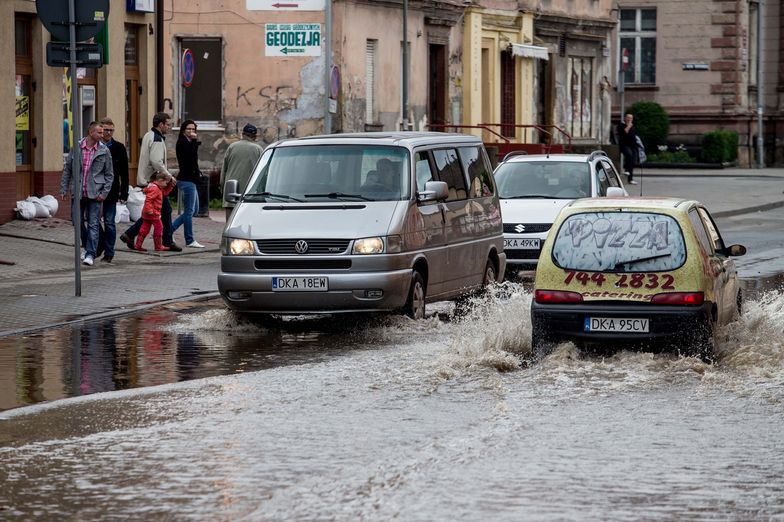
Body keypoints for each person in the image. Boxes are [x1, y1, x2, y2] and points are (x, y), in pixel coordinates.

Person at [120, 112, 182, 251]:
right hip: (154, 182)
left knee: (156, 211)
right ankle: (166, 241)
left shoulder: (149, 135)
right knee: (164, 210)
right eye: (168, 124)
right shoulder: (157, 139)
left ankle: (130, 234)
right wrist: (169, 177)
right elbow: (157, 162)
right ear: (161, 124)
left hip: (148, 180)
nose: (169, 127)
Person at [59, 121, 114, 267]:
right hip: (78, 192)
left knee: (94, 224)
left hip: (95, 193)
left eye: (103, 132)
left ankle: (91, 253)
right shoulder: (77, 147)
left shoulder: (104, 150)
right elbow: (68, 169)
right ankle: (85, 246)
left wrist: (104, 193)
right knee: (77, 221)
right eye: (100, 132)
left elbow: (109, 175)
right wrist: (64, 189)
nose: (103, 135)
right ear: (91, 133)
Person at [96, 117, 129, 263]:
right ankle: (99, 246)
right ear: (100, 130)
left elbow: (124, 172)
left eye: (111, 130)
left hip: (112, 190)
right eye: (105, 130)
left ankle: (109, 253)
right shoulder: (94, 146)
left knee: (109, 222)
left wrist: (124, 192)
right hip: (94, 189)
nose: (108, 133)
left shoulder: (119, 148)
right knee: (93, 221)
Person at [172, 119, 204, 248]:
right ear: (183, 130)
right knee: (189, 211)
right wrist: (195, 142)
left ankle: (168, 231)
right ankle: (190, 240)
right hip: (185, 180)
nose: (191, 132)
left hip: (192, 180)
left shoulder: (189, 142)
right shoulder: (182, 142)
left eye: (193, 129)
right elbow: (190, 158)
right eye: (188, 129)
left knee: (194, 210)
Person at [220, 123, 263, 219]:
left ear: (242, 134)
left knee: (230, 226)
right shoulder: (258, 149)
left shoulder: (232, 147)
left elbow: (224, 171)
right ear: (255, 136)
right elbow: (263, 174)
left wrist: (223, 189)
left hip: (231, 194)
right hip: (250, 196)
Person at [134, 172, 174, 252]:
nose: (166, 185)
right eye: (166, 183)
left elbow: (164, 193)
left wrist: (170, 186)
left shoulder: (154, 187)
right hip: (153, 213)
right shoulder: (155, 189)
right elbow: (149, 199)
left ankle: (138, 245)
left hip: (147, 213)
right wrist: (149, 210)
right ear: (161, 180)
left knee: (145, 228)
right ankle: (158, 246)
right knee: (159, 227)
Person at [617, 112, 639, 185]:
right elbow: (624, 132)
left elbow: (633, 136)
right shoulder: (621, 125)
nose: (630, 119)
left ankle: (630, 178)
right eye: (628, 118)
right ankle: (626, 170)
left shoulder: (632, 126)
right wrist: (628, 126)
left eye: (631, 118)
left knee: (633, 160)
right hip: (624, 145)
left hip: (632, 145)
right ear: (625, 118)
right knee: (628, 155)